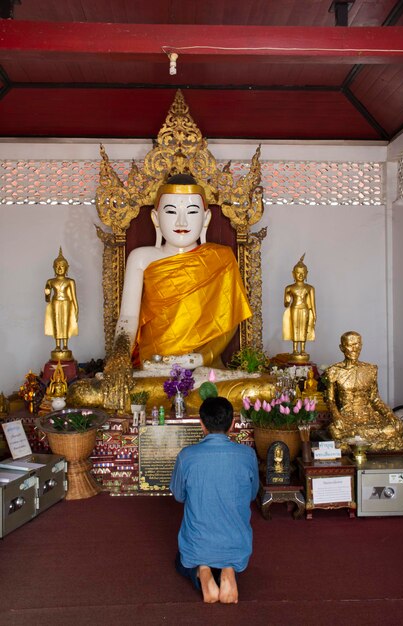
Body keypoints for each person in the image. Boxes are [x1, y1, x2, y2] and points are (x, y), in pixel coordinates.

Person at [115, 173, 252, 371]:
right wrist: (118, 359)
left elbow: (228, 323)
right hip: (154, 367)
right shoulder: (141, 258)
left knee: (248, 388)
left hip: (201, 369)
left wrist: (200, 358)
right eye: (171, 212)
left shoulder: (221, 259)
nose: (181, 222)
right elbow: (128, 317)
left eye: (192, 212)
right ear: (155, 218)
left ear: (206, 219)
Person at [170, 396, 259, 604]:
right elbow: (253, 494)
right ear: (233, 424)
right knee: (227, 548)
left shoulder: (187, 456)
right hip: (236, 546)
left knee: (180, 562)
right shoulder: (248, 455)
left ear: (202, 424)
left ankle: (202, 571)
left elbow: (179, 495)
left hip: (198, 545)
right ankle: (228, 569)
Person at [326, 331, 403, 452]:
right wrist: (337, 417)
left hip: (370, 418)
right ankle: (377, 444)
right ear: (342, 347)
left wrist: (391, 415)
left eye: (358, 344)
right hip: (348, 420)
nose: (355, 349)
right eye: (350, 345)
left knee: (397, 427)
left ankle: (357, 444)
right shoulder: (334, 371)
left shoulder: (370, 369)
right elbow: (330, 400)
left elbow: (375, 399)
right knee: (335, 431)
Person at [44, 248, 78, 359]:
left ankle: (65, 345)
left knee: (65, 323)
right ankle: (58, 345)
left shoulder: (70, 281)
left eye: (62, 266)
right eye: (57, 266)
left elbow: (74, 297)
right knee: (57, 323)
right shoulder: (50, 281)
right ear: (53, 267)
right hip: (55, 302)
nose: (59, 268)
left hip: (67, 302)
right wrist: (47, 292)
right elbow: (47, 299)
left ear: (67, 268)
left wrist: (77, 309)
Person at [282, 254, 316, 360]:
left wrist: (314, 315)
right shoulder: (289, 288)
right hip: (294, 308)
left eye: (303, 273)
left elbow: (313, 304)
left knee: (304, 328)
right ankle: (295, 349)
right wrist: (287, 299)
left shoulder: (309, 288)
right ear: (293, 274)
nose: (300, 275)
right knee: (295, 328)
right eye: (298, 273)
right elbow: (286, 303)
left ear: (306, 274)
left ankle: (303, 349)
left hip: (305, 309)